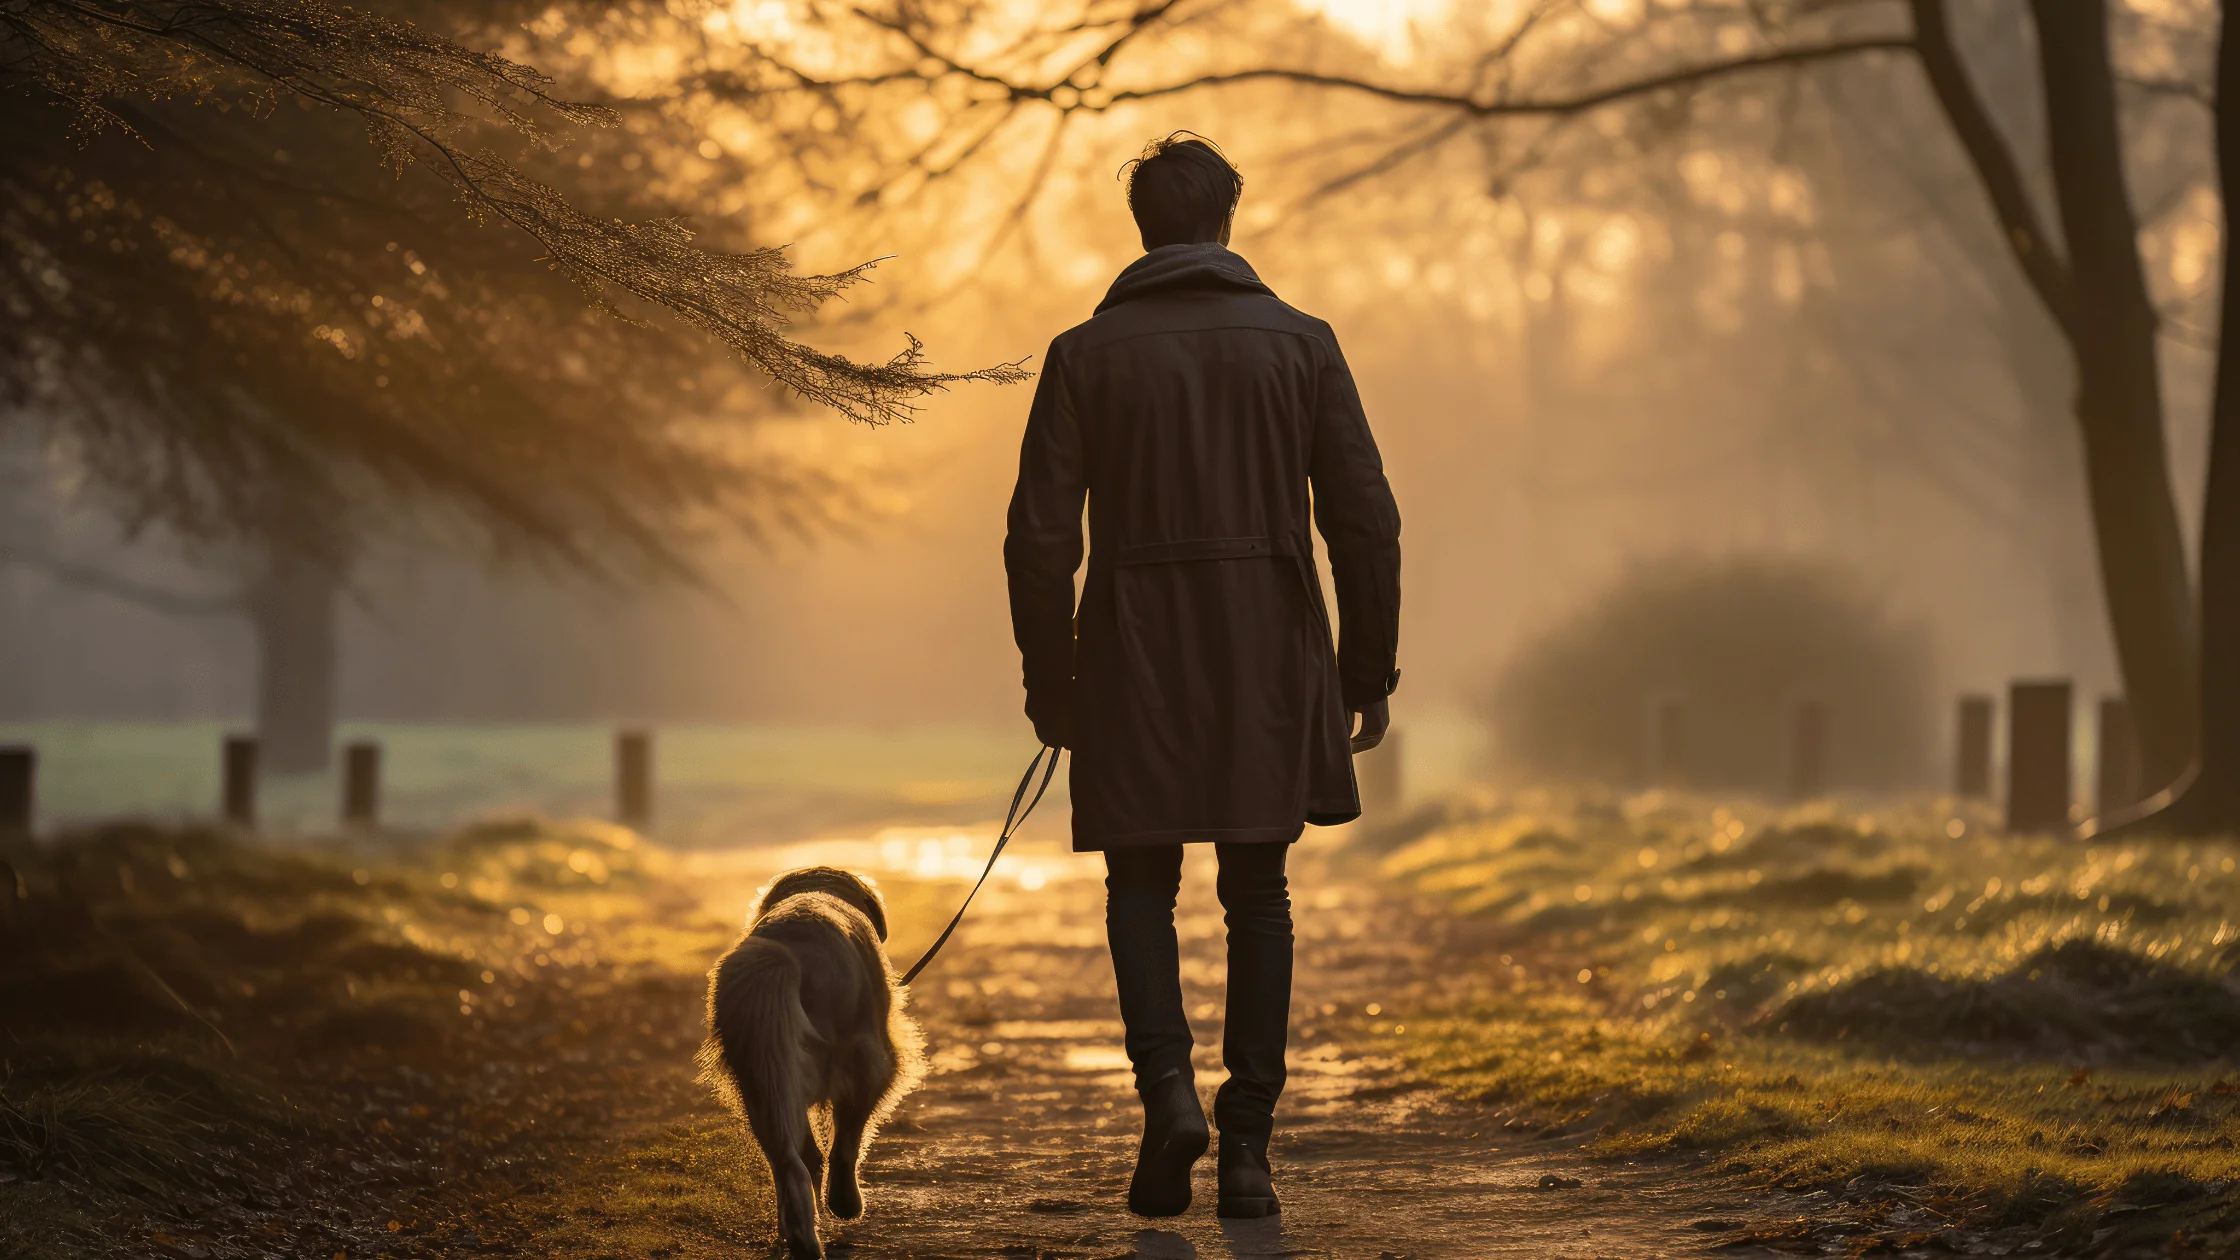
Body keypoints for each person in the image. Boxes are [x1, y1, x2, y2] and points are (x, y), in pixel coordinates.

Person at [1003, 132, 1402, 1220]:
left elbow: (1039, 539)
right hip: (1267, 647)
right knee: (1257, 893)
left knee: (1138, 885)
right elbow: (1364, 523)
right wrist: (1366, 670)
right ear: (1228, 215)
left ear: (1139, 225)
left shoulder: (1083, 356)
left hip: (1130, 649)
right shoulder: (1303, 344)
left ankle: (1167, 1093)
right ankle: (1247, 1150)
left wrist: (1053, 684)